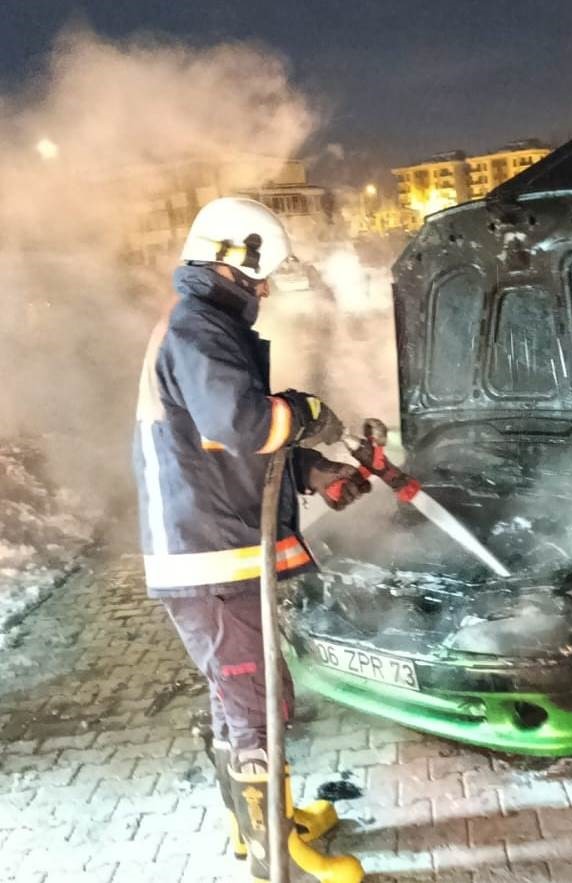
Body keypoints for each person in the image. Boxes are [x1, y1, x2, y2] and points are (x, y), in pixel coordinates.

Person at [133, 197, 369, 880]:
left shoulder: (196, 325)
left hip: (211, 545)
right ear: (233, 263)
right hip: (209, 556)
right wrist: (305, 411)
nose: (265, 290)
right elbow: (243, 425)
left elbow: (220, 450)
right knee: (253, 701)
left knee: (237, 696)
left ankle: (260, 823)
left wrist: (313, 471)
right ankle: (277, 858)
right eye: (260, 275)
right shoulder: (199, 328)